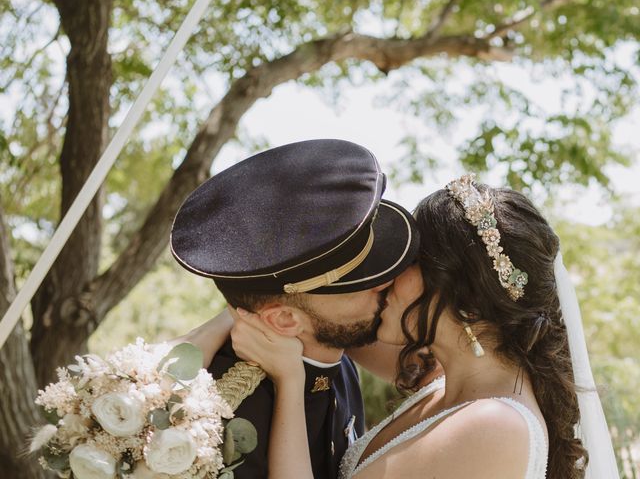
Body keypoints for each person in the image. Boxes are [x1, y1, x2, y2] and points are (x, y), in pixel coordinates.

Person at [200, 174, 619, 478]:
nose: (387, 275)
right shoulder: (443, 380)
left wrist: (290, 383)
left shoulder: (494, 426)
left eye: (413, 262)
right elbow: (318, 316)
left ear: (468, 304)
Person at [169, 139, 421, 479]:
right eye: (357, 283)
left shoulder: (340, 360)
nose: (385, 283)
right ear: (285, 319)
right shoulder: (216, 415)